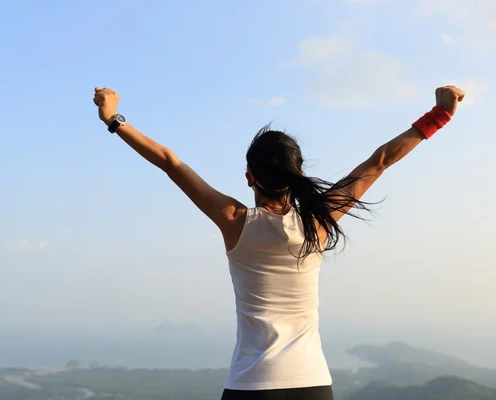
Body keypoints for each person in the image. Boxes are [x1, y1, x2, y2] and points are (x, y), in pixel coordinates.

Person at [92, 85, 465, 400]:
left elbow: (171, 163)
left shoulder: (234, 221)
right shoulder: (319, 221)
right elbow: (380, 161)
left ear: (249, 178)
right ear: (298, 174)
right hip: (313, 384)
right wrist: (440, 114)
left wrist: (114, 119)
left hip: (251, 386)